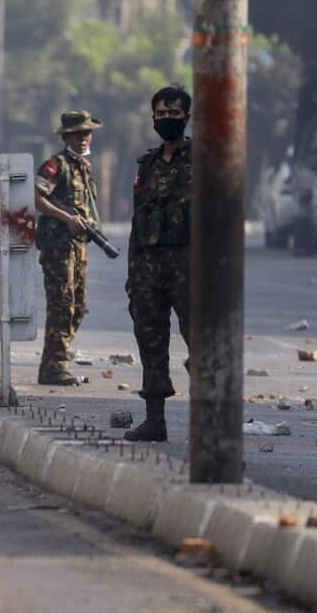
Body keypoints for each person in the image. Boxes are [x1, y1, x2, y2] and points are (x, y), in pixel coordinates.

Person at [124, 86, 193, 442]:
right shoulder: (146, 165)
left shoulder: (201, 160)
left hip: (189, 265)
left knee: (201, 341)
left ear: (186, 116)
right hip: (149, 267)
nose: (166, 120)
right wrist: (133, 271)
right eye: (160, 115)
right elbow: (138, 220)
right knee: (150, 341)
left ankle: (208, 419)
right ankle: (155, 419)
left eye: (173, 114)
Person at [34, 110, 103, 386]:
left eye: (87, 133)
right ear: (66, 137)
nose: (83, 138)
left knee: (78, 306)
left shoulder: (84, 168)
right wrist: (67, 218)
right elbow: (37, 199)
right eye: (77, 134)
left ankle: (53, 361)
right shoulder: (56, 166)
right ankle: (55, 366)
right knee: (62, 304)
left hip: (78, 247)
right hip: (58, 247)